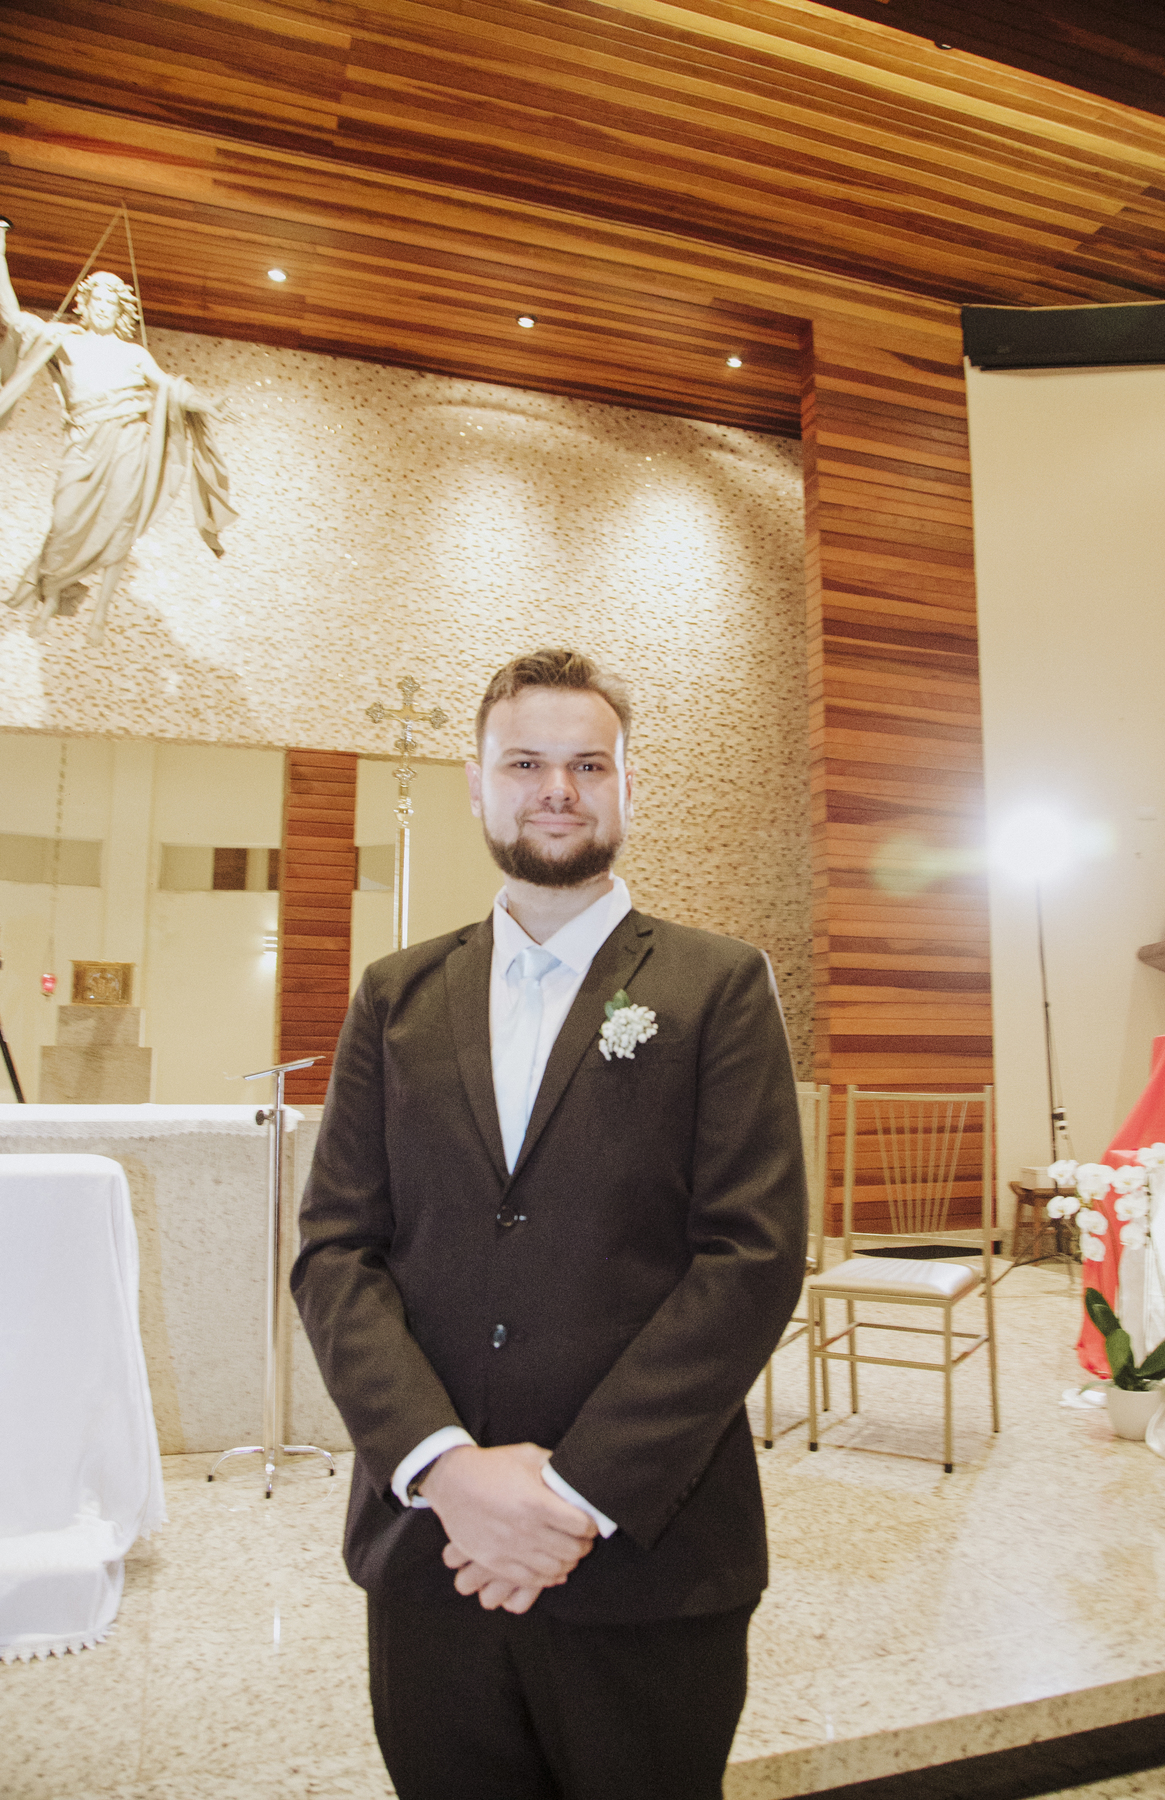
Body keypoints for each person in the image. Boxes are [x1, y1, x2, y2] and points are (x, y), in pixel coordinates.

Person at [292, 647, 807, 1800]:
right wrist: (444, 1471)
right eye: (524, 763)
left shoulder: (720, 986)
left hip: (647, 1555)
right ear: (477, 785)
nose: (558, 790)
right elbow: (336, 1252)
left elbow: (753, 1258)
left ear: (628, 786)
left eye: (590, 764)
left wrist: (575, 1497)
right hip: (435, 1556)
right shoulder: (394, 996)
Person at [0, 222, 236, 644]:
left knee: (119, 526)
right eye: (99, 299)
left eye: (113, 301)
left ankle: (100, 615)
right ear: (85, 305)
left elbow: (169, 387)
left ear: (121, 310)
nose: (105, 306)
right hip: (83, 445)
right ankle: (51, 593)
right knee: (65, 521)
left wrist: (207, 404)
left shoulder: (133, 354)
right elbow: (14, 319)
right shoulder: (65, 342)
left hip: (127, 444)